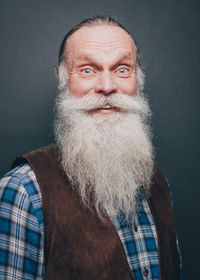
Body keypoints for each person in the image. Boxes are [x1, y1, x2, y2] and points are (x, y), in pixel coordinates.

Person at [0, 16, 183, 279]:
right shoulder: (23, 192)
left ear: (138, 80)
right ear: (62, 79)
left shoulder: (159, 184)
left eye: (122, 69)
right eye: (87, 70)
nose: (107, 87)